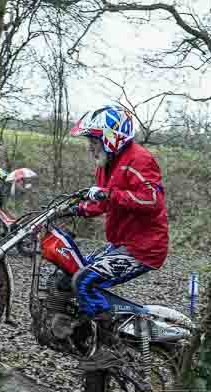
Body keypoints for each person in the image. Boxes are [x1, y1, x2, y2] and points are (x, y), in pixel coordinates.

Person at [65, 104, 169, 326]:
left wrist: (109, 194)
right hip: (120, 243)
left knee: (84, 282)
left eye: (93, 141)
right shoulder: (106, 163)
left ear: (111, 139)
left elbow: (152, 200)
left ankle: (107, 347)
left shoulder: (139, 161)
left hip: (143, 249)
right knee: (71, 269)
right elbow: (102, 203)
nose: (89, 148)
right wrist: (73, 209)